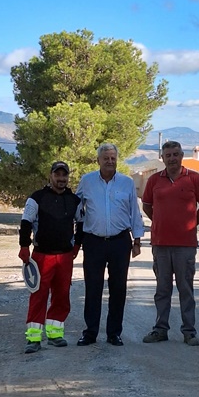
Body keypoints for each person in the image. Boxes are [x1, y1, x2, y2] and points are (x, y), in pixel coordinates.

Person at [74, 143, 144, 346]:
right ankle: (90, 333)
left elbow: (134, 212)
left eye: (113, 158)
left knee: (118, 288)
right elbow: (77, 207)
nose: (110, 161)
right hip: (93, 242)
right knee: (92, 288)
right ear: (98, 160)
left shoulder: (126, 182)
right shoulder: (87, 181)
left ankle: (114, 333)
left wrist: (137, 240)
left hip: (120, 242)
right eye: (106, 158)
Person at [141, 141, 199, 346]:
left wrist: (190, 225)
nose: (172, 158)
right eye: (168, 155)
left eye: (176, 154)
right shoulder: (154, 180)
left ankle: (189, 332)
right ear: (162, 158)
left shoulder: (194, 178)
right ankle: (160, 329)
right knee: (162, 289)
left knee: (185, 289)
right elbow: (146, 206)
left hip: (185, 246)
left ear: (182, 156)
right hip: (160, 244)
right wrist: (161, 223)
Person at [18, 161, 81, 354]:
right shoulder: (37, 198)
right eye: (57, 175)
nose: (61, 179)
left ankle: (55, 334)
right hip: (41, 256)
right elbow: (26, 222)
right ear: (50, 175)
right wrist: (24, 247)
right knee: (38, 296)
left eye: (64, 175)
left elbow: (81, 223)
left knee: (62, 295)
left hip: (64, 257)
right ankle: (33, 338)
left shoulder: (74, 200)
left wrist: (77, 245)